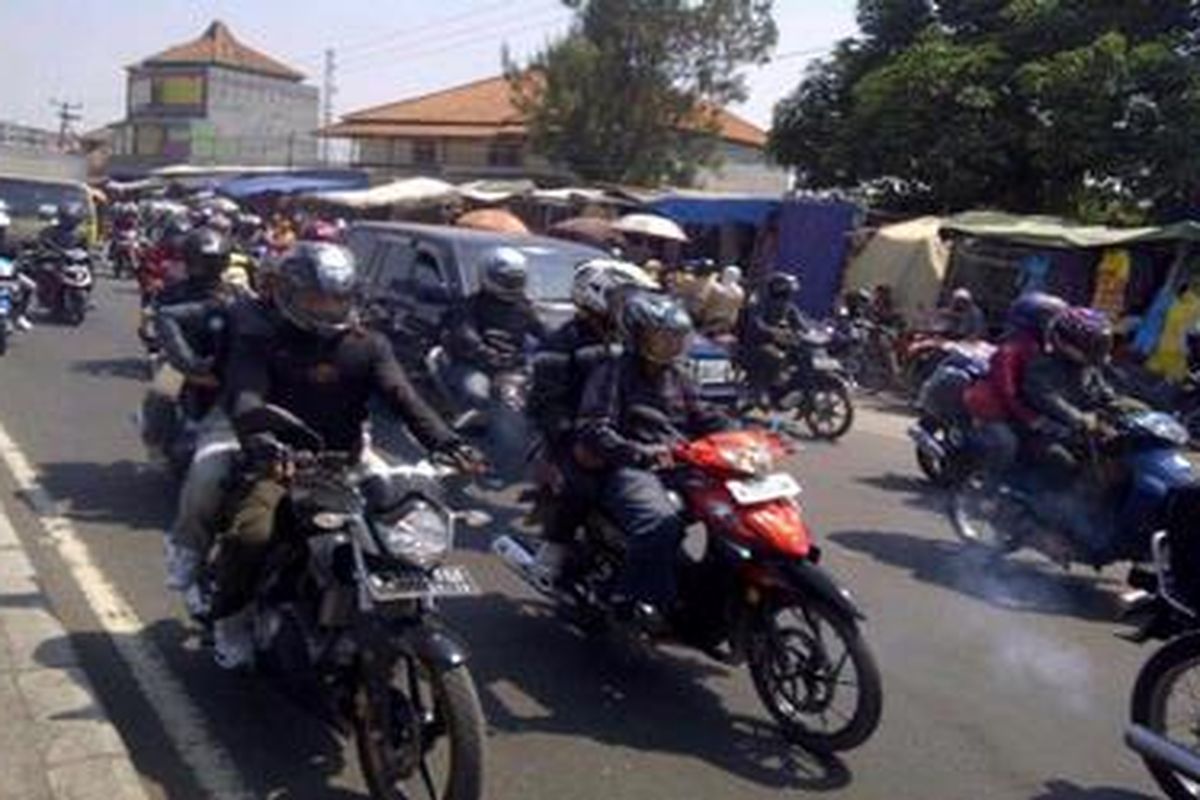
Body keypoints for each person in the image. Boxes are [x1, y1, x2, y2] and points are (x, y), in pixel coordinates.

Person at [211, 242, 480, 668]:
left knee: (404, 527)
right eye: (318, 297)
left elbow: (402, 395)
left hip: (350, 462)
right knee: (253, 536)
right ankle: (230, 620)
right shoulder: (262, 340)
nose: (329, 307)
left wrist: (447, 442)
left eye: (339, 297)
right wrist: (263, 443)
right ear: (289, 294)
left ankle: (400, 614)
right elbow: (246, 396)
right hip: (284, 465)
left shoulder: (367, 344)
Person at [576, 292, 729, 629]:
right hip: (632, 467)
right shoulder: (613, 372)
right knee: (661, 522)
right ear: (636, 335)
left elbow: (705, 414)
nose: (670, 346)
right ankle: (634, 599)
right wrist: (637, 452)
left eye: (676, 338)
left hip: (682, 463)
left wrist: (746, 435)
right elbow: (594, 427)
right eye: (661, 338)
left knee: (734, 516)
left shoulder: (679, 375)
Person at [154, 230, 263, 617]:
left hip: (230, 379)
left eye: (213, 262)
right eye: (201, 262)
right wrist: (186, 363)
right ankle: (157, 441)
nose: (207, 269)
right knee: (160, 395)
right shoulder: (173, 292)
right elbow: (159, 321)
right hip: (192, 369)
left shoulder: (240, 296)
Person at [526, 259, 657, 580]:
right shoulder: (562, 342)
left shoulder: (629, 340)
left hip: (622, 431)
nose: (631, 306)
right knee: (582, 484)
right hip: (573, 434)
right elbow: (545, 402)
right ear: (595, 294)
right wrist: (574, 437)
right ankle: (554, 549)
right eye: (623, 298)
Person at [963, 292, 1068, 473]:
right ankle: (982, 491)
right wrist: (1033, 419)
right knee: (1006, 444)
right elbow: (1008, 392)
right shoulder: (1010, 350)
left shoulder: (1045, 349)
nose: (1054, 325)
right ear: (1031, 320)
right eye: (1049, 320)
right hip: (994, 407)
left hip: (1020, 408)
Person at [442, 246, 548, 413]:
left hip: (514, 366)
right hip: (475, 366)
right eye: (506, 280)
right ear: (487, 274)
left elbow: (544, 331)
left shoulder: (524, 308)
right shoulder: (470, 306)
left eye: (515, 280)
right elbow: (464, 333)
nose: (510, 284)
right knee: (477, 392)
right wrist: (486, 352)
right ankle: (473, 434)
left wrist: (560, 346)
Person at [740, 272, 811, 406]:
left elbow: (801, 322)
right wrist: (773, 332)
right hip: (758, 342)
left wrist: (810, 331)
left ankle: (785, 387)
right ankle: (759, 390)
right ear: (780, 288)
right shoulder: (762, 303)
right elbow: (756, 323)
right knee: (775, 356)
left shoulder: (788, 306)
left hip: (780, 343)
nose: (790, 292)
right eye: (788, 289)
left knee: (799, 355)